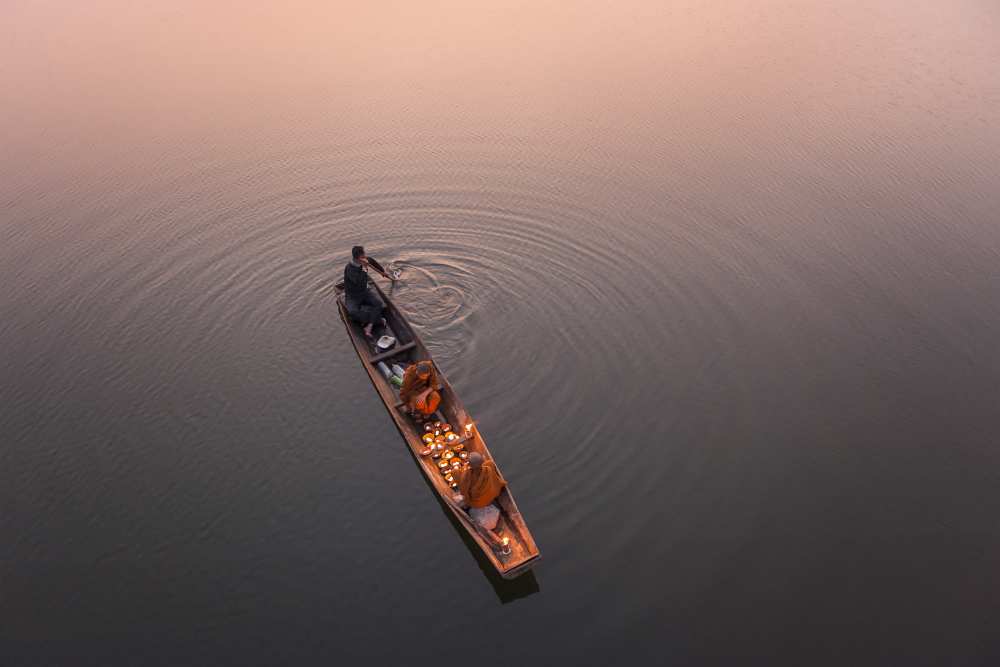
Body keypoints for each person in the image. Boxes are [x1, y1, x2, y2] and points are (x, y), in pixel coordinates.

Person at [454, 452, 508, 550]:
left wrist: (462, 470)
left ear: (470, 465)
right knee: (491, 463)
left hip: (475, 503)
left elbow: (463, 491)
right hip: (491, 495)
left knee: (455, 472)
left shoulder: (467, 476)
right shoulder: (488, 469)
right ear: (482, 462)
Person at [343, 245, 385, 339]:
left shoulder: (365, 260)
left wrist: (383, 272)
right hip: (353, 295)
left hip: (364, 292)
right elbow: (360, 282)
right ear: (357, 258)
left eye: (364, 255)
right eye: (363, 257)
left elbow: (373, 262)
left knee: (379, 304)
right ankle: (377, 320)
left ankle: (369, 326)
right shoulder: (350, 269)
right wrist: (365, 268)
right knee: (352, 312)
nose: (365, 258)